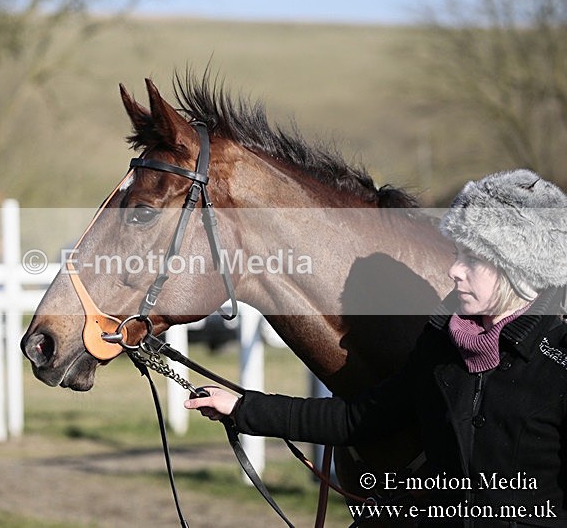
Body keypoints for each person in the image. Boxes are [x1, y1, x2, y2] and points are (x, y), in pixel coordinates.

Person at [185, 169, 567, 526]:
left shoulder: (560, 363)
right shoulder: (441, 345)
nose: (454, 270)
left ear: (517, 268)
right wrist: (241, 407)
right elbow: (357, 418)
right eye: (457, 255)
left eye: (473, 259)